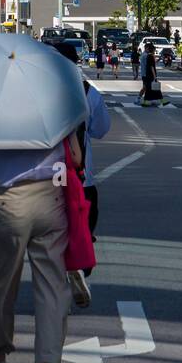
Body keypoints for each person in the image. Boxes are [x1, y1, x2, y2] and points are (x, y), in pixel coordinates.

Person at [0, 128, 82, 363]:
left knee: (4, 283)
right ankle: (51, 358)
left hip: (9, 202)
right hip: (51, 197)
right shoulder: (58, 101)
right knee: (53, 281)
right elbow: (75, 158)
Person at [57, 42, 111, 292]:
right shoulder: (89, 92)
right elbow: (100, 129)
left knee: (49, 232)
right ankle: (79, 266)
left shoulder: (37, 91)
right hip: (80, 175)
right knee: (84, 223)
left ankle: (56, 277)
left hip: (46, 178)